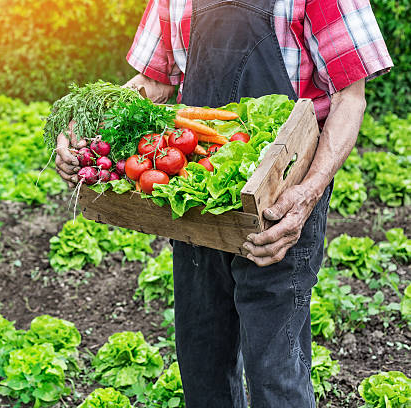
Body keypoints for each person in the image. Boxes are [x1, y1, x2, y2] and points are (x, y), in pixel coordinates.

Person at [55, 0, 392, 406]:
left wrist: (309, 192)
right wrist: (90, 125)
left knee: (276, 369)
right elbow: (156, 82)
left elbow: (349, 97)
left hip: (282, 200)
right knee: (202, 359)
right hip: (197, 193)